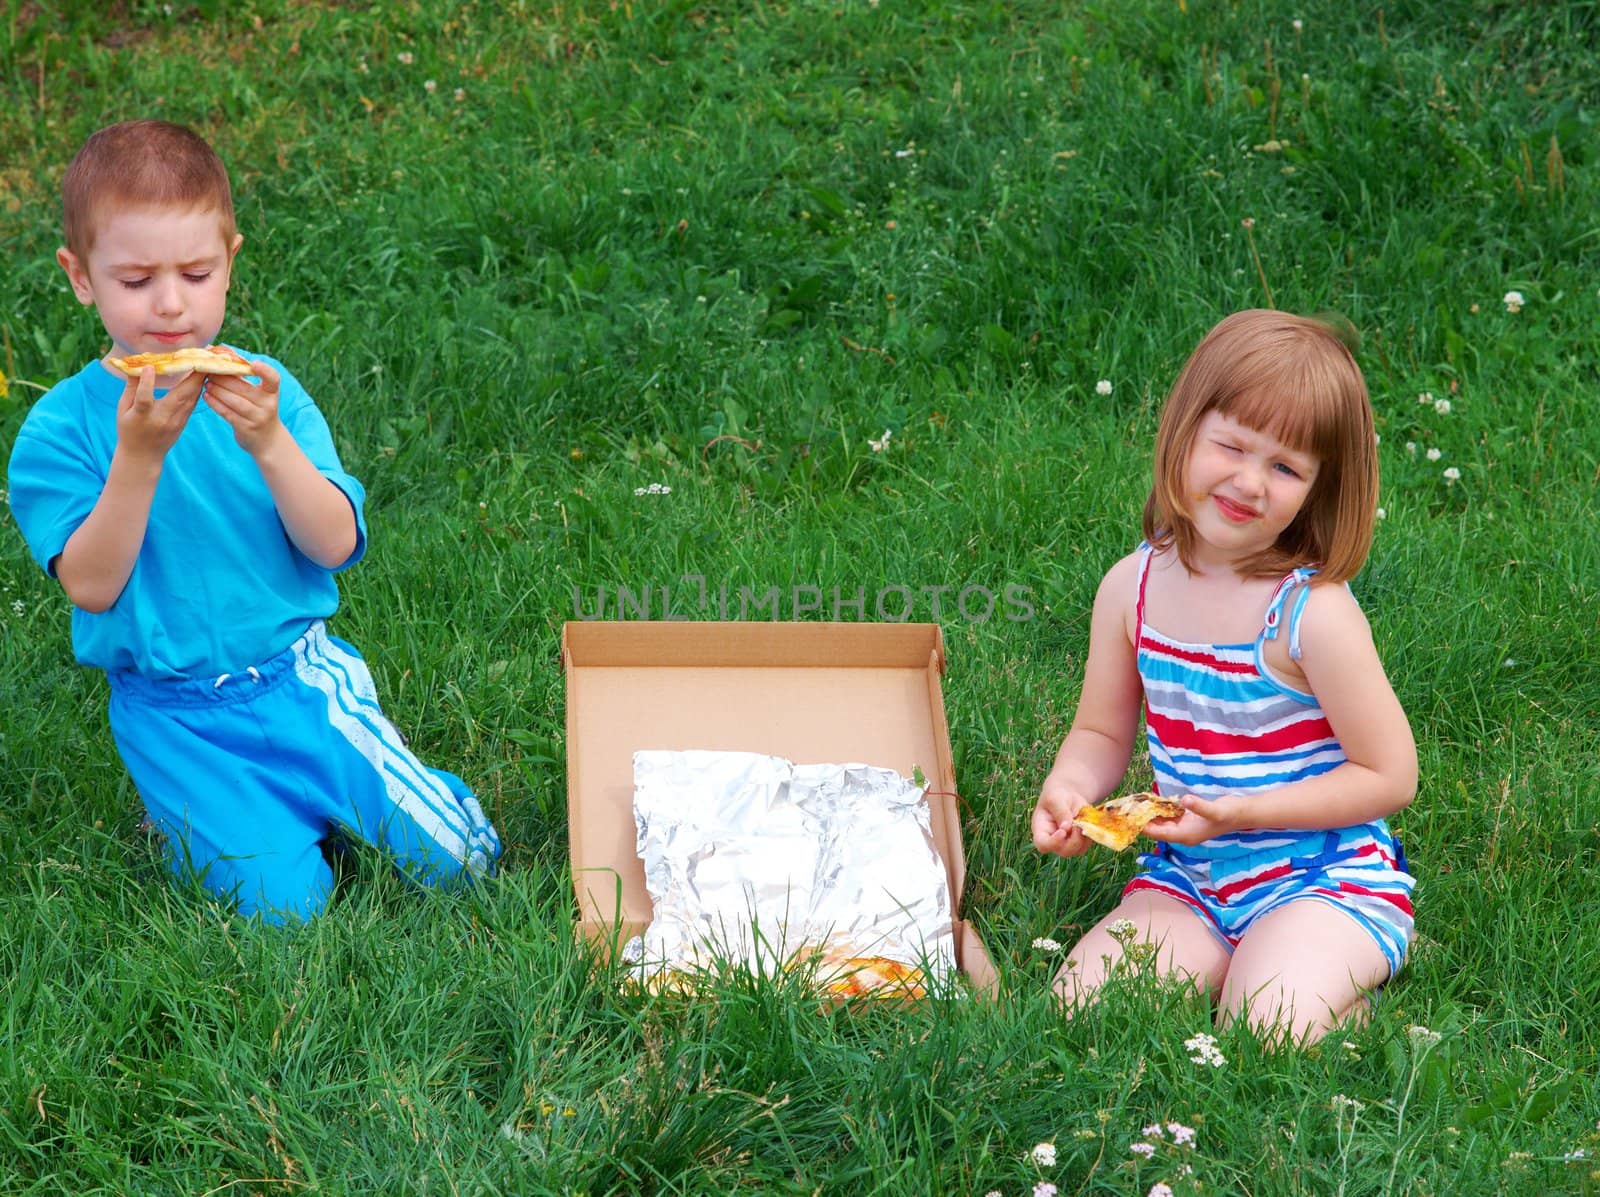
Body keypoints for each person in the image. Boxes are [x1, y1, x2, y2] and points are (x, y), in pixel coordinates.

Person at [7, 119, 500, 923]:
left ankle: (316, 798)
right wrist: (138, 458)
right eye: (134, 281)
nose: (170, 304)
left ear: (230, 263)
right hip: (174, 715)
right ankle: (198, 823)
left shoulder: (267, 392)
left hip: (297, 680)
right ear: (80, 277)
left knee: (465, 862)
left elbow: (334, 544)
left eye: (196, 273)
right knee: (285, 914)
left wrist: (268, 441)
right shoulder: (60, 432)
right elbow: (92, 586)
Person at [1031, 309, 1415, 1043]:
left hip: (1323, 877)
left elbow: (1390, 774)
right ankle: (1247, 967)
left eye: (1285, 467)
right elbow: (1101, 728)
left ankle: (1334, 993)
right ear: (1184, 430)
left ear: (1318, 489)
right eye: (1231, 445)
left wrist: (1245, 808)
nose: (1248, 481)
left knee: (1267, 1026)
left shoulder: (1312, 615)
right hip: (1191, 876)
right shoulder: (1131, 588)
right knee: (1079, 1014)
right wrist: (1072, 786)